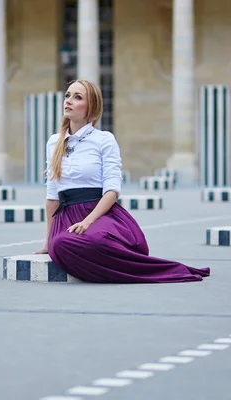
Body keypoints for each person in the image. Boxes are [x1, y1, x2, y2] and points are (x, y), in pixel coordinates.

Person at [34, 79, 210, 284]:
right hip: (66, 217)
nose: (69, 101)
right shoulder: (54, 142)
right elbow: (52, 196)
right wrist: (47, 242)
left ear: (91, 107)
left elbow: (111, 190)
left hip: (99, 213)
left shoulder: (104, 140)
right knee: (61, 244)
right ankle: (107, 266)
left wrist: (87, 221)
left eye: (77, 97)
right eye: (67, 95)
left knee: (95, 240)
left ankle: (137, 268)